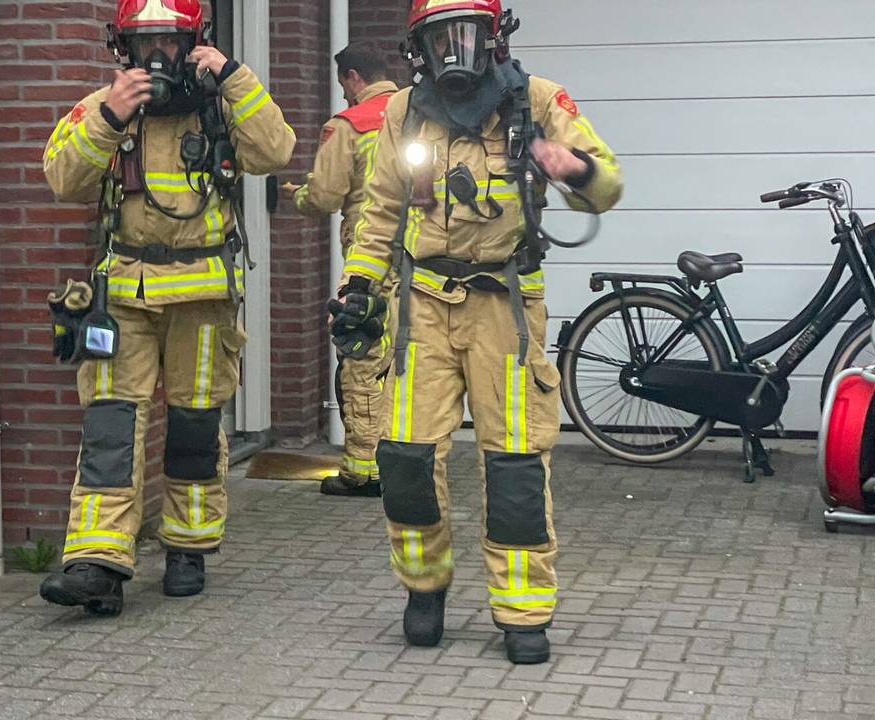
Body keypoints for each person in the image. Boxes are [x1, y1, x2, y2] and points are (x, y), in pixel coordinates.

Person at [329, 0, 622, 662]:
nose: (455, 48)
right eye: (441, 36)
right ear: (419, 46)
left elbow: (608, 184)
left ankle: (523, 611)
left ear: (495, 35)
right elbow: (379, 212)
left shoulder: (537, 102)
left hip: (506, 306)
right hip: (422, 306)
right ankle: (424, 588)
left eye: (469, 32)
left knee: (514, 462)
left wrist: (571, 168)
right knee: (402, 455)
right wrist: (357, 287)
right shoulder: (403, 111)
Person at [39, 0, 295, 617]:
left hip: (202, 300)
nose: (158, 57)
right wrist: (108, 114)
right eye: (144, 42)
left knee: (194, 429)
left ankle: (187, 548)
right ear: (122, 45)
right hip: (122, 297)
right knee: (109, 429)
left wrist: (234, 77)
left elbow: (276, 151)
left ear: (193, 43)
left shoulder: (220, 107)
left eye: (171, 43)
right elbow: (62, 179)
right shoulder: (106, 107)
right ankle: (97, 561)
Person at [287, 43, 400, 498]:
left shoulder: (349, 125)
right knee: (409, 359)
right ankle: (409, 458)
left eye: (344, 85)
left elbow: (326, 197)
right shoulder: (419, 113)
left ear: (353, 77)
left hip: (370, 256)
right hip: (429, 255)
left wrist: (295, 194)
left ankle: (364, 470)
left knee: (364, 353)